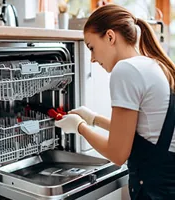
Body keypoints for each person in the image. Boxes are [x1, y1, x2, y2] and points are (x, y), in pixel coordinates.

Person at [55, 4, 175, 200]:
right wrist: (94, 119)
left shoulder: (125, 70)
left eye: (91, 48)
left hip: (156, 189)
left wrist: (80, 128)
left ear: (110, 37)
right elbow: (142, 132)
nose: (92, 59)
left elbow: (118, 154)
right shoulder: (151, 63)